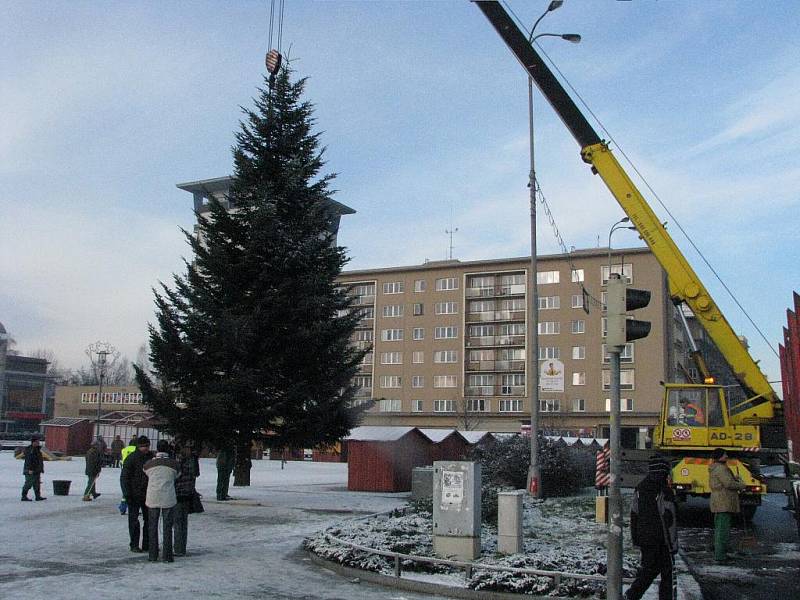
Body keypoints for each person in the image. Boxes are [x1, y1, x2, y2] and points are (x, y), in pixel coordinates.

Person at [625, 457, 677, 600]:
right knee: (666, 573)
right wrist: (673, 545)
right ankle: (633, 595)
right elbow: (669, 520)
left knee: (650, 569)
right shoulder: (665, 491)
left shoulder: (640, 487)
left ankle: (632, 595)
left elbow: (634, 514)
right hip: (662, 540)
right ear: (664, 472)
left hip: (644, 537)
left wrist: (635, 537)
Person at [144, 439, 179, 562]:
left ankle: (152, 555)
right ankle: (167, 556)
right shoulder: (174, 464)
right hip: (168, 498)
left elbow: (145, 472)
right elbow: (177, 475)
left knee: (152, 526)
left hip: (152, 497)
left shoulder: (148, 464)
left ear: (157, 449)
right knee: (167, 527)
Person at [709, 447, 746, 562]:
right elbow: (728, 483)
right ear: (720, 456)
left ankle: (720, 552)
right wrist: (740, 484)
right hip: (723, 502)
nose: (727, 457)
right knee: (722, 530)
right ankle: (720, 555)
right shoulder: (721, 469)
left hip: (720, 501)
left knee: (721, 528)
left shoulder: (717, 468)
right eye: (725, 455)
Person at [121, 435, 153, 553]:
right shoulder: (131, 458)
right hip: (134, 495)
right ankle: (134, 544)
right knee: (134, 521)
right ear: (138, 446)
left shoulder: (151, 457)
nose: (145, 448)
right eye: (143, 446)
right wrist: (126, 493)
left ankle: (147, 544)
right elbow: (124, 477)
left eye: (147, 446)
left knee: (149, 520)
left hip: (148, 494)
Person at [173, 442, 199, 556]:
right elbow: (196, 474)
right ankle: (181, 547)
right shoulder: (193, 460)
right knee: (183, 522)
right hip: (188, 493)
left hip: (178, 494)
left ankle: (178, 548)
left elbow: (175, 477)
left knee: (178, 522)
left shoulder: (178, 462)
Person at [21, 435, 46, 501]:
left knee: (37, 484)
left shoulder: (37, 450)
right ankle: (24, 496)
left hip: (37, 470)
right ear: (33, 442)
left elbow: (39, 460)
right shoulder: (30, 450)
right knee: (28, 483)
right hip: (30, 470)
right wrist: (29, 470)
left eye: (39, 442)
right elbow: (28, 461)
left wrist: (41, 468)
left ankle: (38, 496)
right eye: (37, 442)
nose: (38, 443)